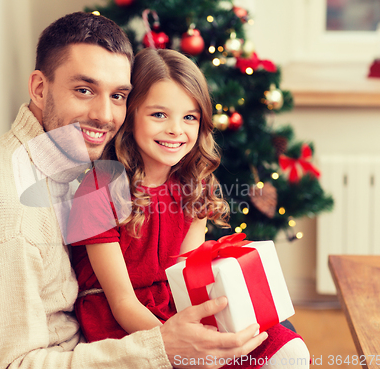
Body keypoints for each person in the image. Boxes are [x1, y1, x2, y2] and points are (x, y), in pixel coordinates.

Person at [0, 11, 269, 369]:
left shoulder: (70, 166)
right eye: (84, 90)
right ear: (39, 88)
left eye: (118, 96)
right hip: (85, 353)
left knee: (266, 334)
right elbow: (14, 365)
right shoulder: (5, 205)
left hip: (95, 344)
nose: (105, 115)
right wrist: (163, 347)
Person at [68, 48, 310, 369]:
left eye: (189, 117)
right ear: (130, 114)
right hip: (124, 323)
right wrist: (183, 347)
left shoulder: (196, 185)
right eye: (159, 115)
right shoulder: (99, 190)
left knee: (286, 350)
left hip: (174, 305)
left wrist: (222, 323)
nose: (176, 130)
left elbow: (187, 281)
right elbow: (122, 303)